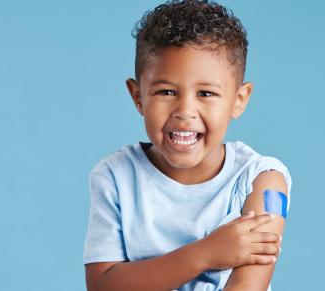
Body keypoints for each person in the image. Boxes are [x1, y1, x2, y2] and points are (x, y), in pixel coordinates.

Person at [83, 0, 292, 290]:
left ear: (239, 100)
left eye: (206, 93)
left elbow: (248, 286)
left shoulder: (262, 180)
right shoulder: (114, 177)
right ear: (137, 96)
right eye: (166, 91)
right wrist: (205, 254)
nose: (185, 110)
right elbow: (102, 285)